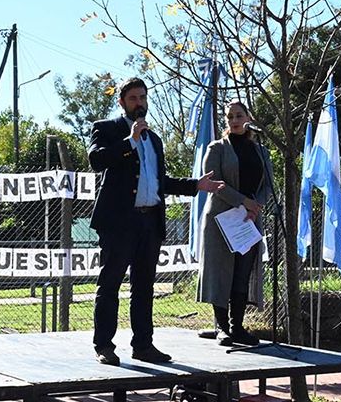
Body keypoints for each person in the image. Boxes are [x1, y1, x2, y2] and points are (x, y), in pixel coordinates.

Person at [89, 77, 223, 365]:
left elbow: (161, 182)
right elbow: (97, 160)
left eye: (142, 97)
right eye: (133, 98)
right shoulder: (107, 129)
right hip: (119, 223)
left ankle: (143, 345)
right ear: (122, 102)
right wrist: (130, 141)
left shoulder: (155, 140)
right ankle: (104, 346)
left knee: (144, 288)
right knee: (110, 284)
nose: (139, 103)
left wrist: (195, 185)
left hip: (149, 222)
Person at [196, 100, 272, 347]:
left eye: (239, 115)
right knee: (221, 272)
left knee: (242, 273)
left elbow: (267, 185)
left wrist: (255, 206)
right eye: (230, 117)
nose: (234, 120)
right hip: (221, 219)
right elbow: (214, 184)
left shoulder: (261, 150)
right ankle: (222, 328)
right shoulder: (216, 148)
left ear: (248, 118)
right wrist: (243, 201)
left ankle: (237, 327)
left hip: (249, 220)